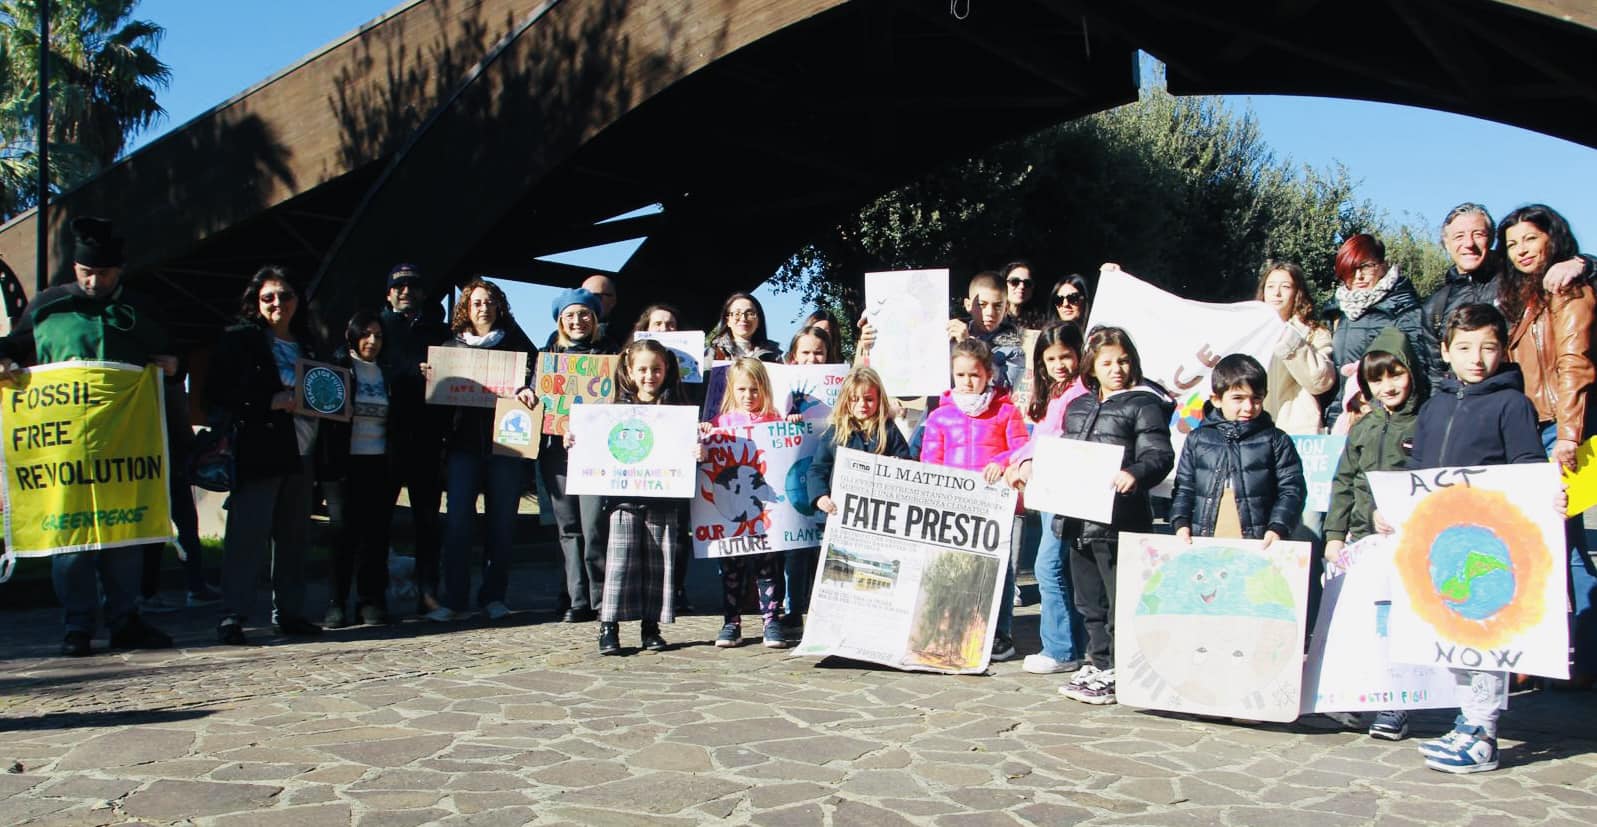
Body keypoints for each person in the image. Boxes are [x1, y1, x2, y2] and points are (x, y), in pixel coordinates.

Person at [0, 216, 175, 656]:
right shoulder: (47, 307)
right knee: (72, 540)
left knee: (123, 536)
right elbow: (12, 348)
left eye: (103, 273)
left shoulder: (142, 309)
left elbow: (172, 356)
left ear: (120, 270)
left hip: (124, 448)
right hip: (64, 452)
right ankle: (77, 626)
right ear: (75, 270)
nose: (94, 281)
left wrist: (176, 368)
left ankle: (125, 619)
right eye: (86, 273)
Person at [1400, 304, 1546, 773]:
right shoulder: (1435, 405)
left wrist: (1544, 497)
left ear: (1504, 350)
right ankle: (1467, 719)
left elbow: (1528, 465)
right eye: (1464, 348)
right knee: (1451, 636)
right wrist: (1398, 507)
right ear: (1445, 351)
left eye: (1487, 347)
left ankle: (1485, 734)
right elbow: (1417, 467)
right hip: (1440, 542)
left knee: (1484, 637)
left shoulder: (1512, 404)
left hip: (1489, 545)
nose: (1476, 358)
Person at [1498, 204, 1597, 684]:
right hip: (1539, 427)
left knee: (1566, 540)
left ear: (1552, 239)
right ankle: (1567, 652)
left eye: (1529, 240)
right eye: (1513, 243)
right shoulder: (1527, 297)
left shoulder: (1566, 289)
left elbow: (1574, 365)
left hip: (1562, 429)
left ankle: (1584, 655)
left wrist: (1568, 436)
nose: (1521, 251)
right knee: (1549, 539)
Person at [1050, 327, 1175, 705]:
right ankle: (1098, 662)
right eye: (1107, 362)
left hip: (1119, 520)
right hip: (1077, 518)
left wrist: (1135, 473)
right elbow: (1063, 455)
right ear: (1092, 366)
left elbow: (1159, 455)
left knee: (1119, 599)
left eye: (1122, 361)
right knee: (1089, 601)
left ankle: (1121, 668)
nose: (1116, 368)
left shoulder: (1143, 405)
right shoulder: (1077, 406)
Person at [1322, 327, 1429, 741]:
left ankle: (1394, 705)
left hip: (1408, 545)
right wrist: (1334, 535)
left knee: (1396, 626)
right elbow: (1344, 483)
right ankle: (1353, 695)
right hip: (1363, 544)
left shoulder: (1427, 422)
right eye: (1377, 379)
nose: (1388, 386)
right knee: (1360, 625)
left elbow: (1434, 482)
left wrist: (1404, 515)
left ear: (1412, 373)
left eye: (1396, 375)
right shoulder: (1362, 430)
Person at [208, 266, 325, 645]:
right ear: (256, 302)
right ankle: (233, 614)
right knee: (248, 535)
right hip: (261, 449)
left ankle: (290, 612)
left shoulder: (307, 344)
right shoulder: (239, 340)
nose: (278, 303)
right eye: (269, 297)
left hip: (302, 449)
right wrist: (267, 401)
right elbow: (218, 393)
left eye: (285, 295)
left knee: (293, 537)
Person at [430, 279, 537, 622]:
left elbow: (539, 378)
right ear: (466, 307)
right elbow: (439, 403)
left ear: (499, 306)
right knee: (458, 523)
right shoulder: (451, 348)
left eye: (489, 301)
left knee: (502, 524)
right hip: (463, 447)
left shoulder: (518, 344)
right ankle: (454, 599)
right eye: (476, 302)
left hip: (507, 444)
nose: (483, 307)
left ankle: (494, 596)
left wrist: (529, 390)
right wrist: (430, 379)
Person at [920, 339, 1030, 661]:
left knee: (997, 568)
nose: (968, 382)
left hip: (994, 501)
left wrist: (1003, 461)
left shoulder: (1006, 410)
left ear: (988, 374)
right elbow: (930, 459)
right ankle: (960, 628)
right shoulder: (940, 415)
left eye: (974, 375)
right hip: (955, 503)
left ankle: (1000, 632)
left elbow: (1023, 448)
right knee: (957, 566)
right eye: (961, 375)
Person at [584, 339, 693, 654]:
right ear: (630, 371)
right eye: (643, 369)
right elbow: (596, 447)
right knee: (619, 563)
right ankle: (609, 627)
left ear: (666, 370)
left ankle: (651, 627)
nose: (650, 376)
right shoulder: (613, 411)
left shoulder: (678, 410)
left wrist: (694, 451)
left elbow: (686, 453)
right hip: (623, 501)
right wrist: (576, 440)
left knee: (660, 564)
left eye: (656, 369)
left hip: (664, 499)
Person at [1422, 202, 1589, 388]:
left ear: (1492, 238)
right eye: (1459, 236)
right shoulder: (1436, 305)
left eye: (1478, 234)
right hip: (1467, 408)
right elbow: (1435, 373)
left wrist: (1584, 263)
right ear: (1446, 243)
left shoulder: (1519, 279)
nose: (1469, 244)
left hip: (1522, 401)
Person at [1006, 322, 1091, 674]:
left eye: (1066, 356)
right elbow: (1037, 438)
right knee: (1059, 568)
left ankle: (1060, 648)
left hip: (1065, 488)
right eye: (1051, 358)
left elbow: (1053, 442)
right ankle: (1072, 645)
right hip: (1049, 488)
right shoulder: (1056, 392)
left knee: (1049, 566)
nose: (1059, 364)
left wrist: (1025, 460)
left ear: (1079, 355)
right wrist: (1019, 460)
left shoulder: (1079, 393)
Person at [538, 287, 620, 623]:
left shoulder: (611, 355)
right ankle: (577, 598)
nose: (578, 320)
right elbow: (535, 396)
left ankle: (601, 597)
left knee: (595, 525)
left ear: (595, 318)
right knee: (567, 527)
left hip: (597, 453)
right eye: (570, 315)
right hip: (557, 452)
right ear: (560, 321)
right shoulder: (546, 357)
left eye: (584, 314)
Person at [1169, 353, 1306, 544]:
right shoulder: (1198, 439)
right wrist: (1180, 522)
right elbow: (1184, 488)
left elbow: (1292, 489)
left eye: (1256, 399)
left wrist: (1277, 527)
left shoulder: (1276, 440)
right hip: (1204, 540)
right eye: (1238, 398)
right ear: (1216, 399)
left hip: (1259, 542)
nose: (1249, 406)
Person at [703, 358, 793, 647]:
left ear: (764, 389)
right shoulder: (720, 424)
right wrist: (704, 438)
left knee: (767, 567)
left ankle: (771, 620)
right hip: (730, 514)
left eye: (754, 389)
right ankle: (731, 622)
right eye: (741, 389)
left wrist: (792, 425)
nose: (748, 396)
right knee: (731, 569)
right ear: (731, 389)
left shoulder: (774, 420)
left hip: (764, 514)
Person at [319, 311, 399, 627]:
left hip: (378, 461)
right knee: (342, 534)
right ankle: (336, 602)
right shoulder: (337, 370)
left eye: (378, 336)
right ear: (353, 336)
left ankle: (370, 601)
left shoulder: (387, 373)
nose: (372, 341)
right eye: (366, 334)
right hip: (343, 463)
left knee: (375, 535)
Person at [378, 264, 451, 615]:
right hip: (384, 436)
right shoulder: (376, 327)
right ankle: (372, 598)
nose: (405, 291)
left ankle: (427, 594)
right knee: (377, 519)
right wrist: (409, 372)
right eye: (399, 286)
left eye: (412, 286)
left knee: (427, 521)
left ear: (423, 293)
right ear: (389, 293)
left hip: (427, 436)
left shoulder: (440, 331)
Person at [1325, 234, 1439, 429]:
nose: (1358, 276)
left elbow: (1417, 372)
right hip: (1345, 420)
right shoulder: (1340, 312)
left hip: (1385, 422)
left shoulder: (1404, 310)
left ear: (1383, 265)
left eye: (1366, 267)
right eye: (1351, 269)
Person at [1257, 261, 1336, 435]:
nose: (1276, 293)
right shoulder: (1251, 332)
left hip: (1297, 431)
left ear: (1297, 292)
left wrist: (1290, 338)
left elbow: (1321, 382)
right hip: (1257, 429)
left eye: (1285, 287)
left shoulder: (1315, 333)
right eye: (1270, 287)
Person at [948, 271, 1026, 390]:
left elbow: (1005, 389)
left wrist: (969, 345)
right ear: (968, 305)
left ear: (1006, 309)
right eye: (982, 305)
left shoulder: (1013, 350)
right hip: (942, 406)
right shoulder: (949, 334)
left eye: (997, 306)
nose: (990, 313)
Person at [709, 292, 782, 362]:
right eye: (737, 313)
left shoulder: (773, 356)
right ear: (727, 320)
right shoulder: (713, 353)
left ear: (759, 320)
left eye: (750, 313)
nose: (743, 318)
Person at [1003, 261, 1048, 328]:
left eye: (1027, 283)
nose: (1022, 286)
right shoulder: (991, 317)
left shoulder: (1040, 322)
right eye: (1014, 281)